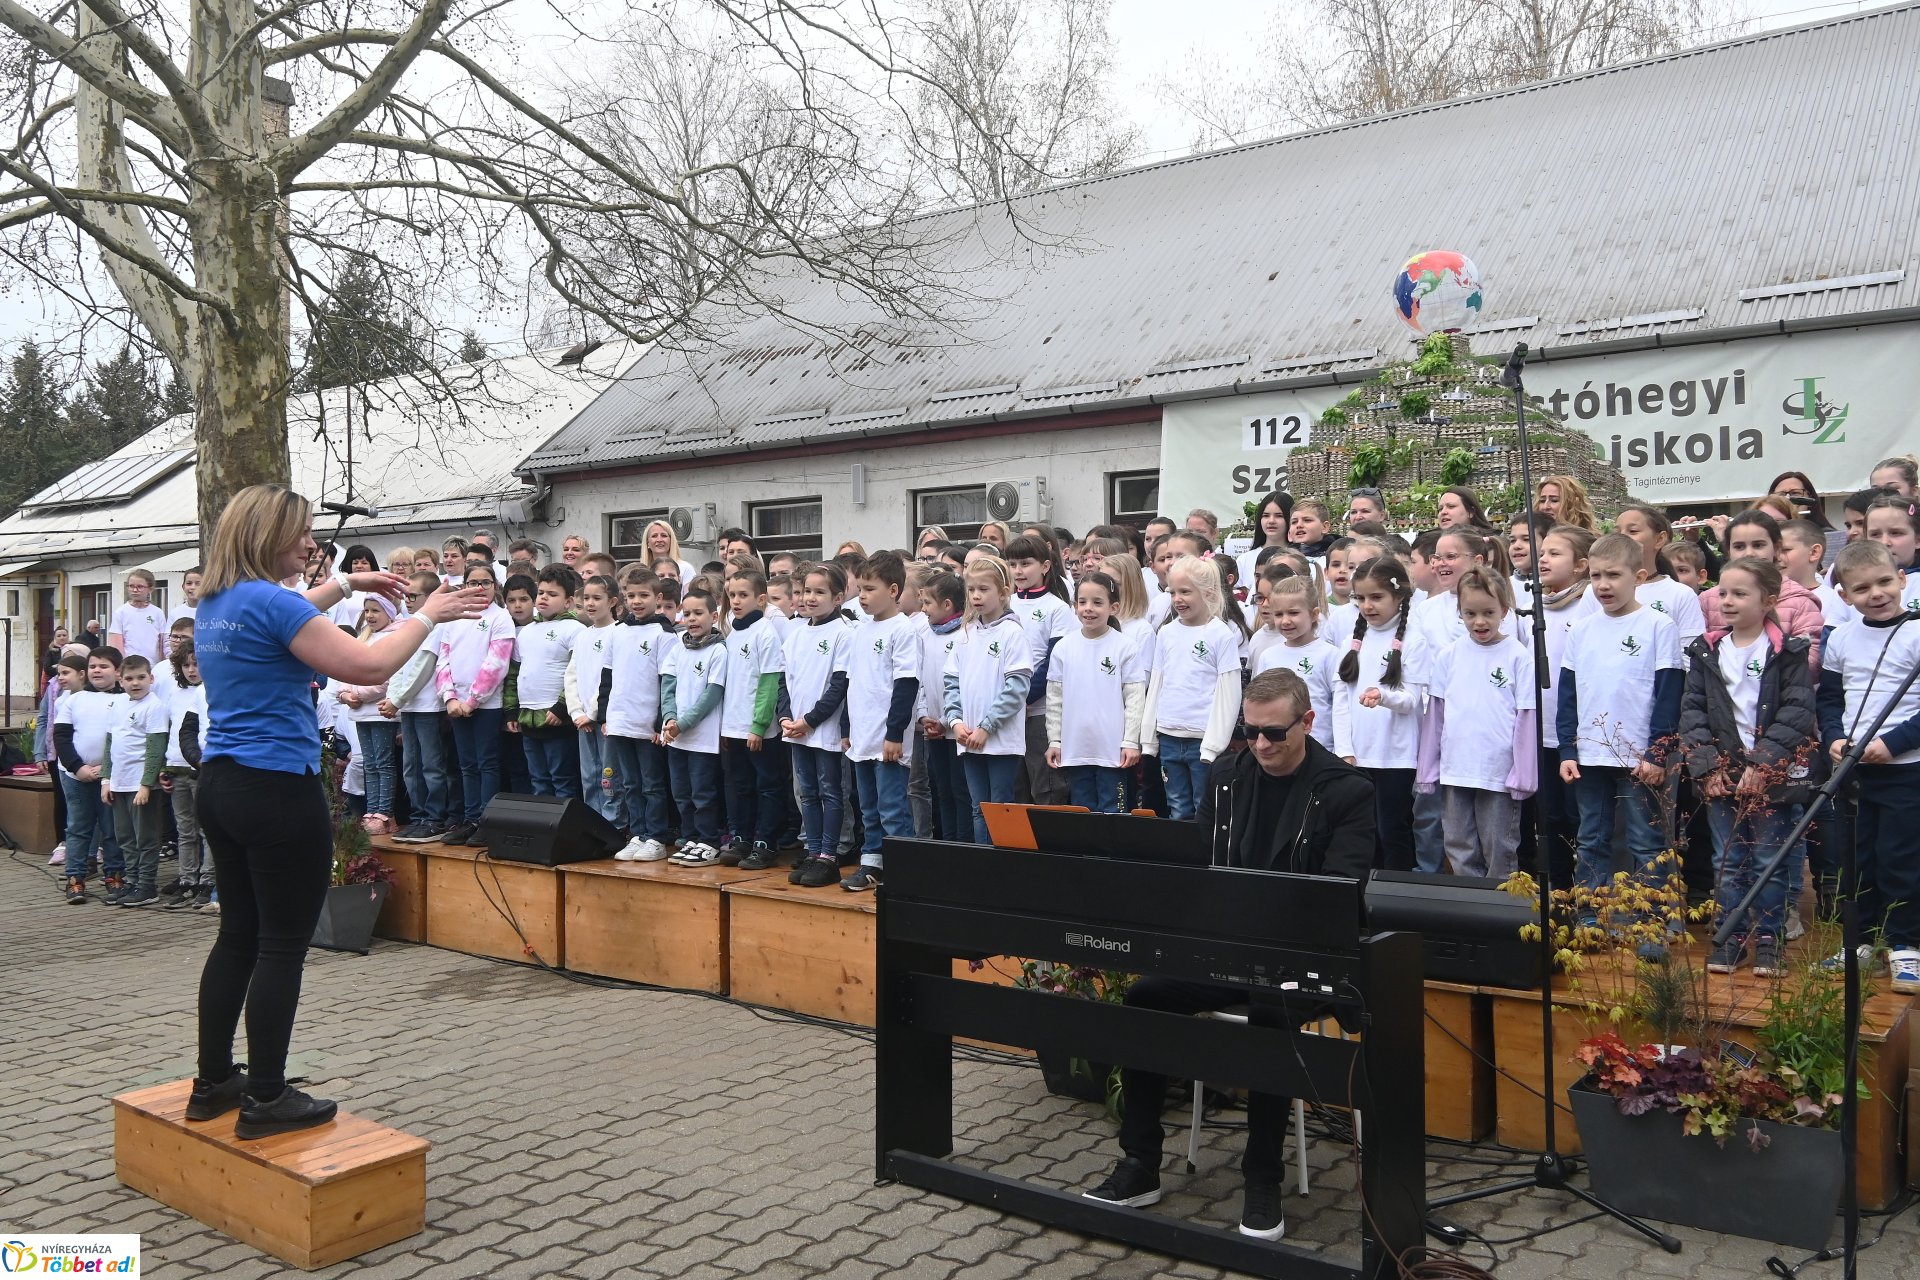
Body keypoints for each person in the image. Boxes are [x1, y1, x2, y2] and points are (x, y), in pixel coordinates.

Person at [188, 484, 488, 1140]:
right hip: (276, 791)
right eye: (300, 532)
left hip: (221, 784)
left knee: (237, 935)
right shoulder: (269, 601)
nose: (311, 543)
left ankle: (213, 1082)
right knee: (281, 946)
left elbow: (290, 613)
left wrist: (352, 588)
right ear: (267, 537)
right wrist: (430, 612)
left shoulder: (218, 600)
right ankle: (266, 1097)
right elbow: (369, 659)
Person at [1083, 668, 1374, 1241]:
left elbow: (1340, 894)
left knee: (1268, 1016)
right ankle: (1140, 1163)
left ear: (1308, 723)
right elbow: (1199, 870)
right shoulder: (1226, 776)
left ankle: (1262, 1177)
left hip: (1301, 963)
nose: (1261, 745)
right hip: (1226, 952)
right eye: (1250, 731)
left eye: (1275, 734)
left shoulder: (1346, 790)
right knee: (1145, 996)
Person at [1681, 557, 1817, 977]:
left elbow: (1796, 710)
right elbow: (1692, 712)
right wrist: (1706, 766)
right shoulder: (1708, 650)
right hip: (1723, 774)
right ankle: (1730, 935)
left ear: (1768, 600)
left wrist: (1764, 763)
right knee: (1728, 859)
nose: (1728, 600)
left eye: (1740, 593)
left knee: (1767, 860)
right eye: (1723, 592)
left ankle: (1769, 939)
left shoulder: (1787, 651)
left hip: (1769, 777)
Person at [1557, 534, 1684, 908]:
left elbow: (1668, 695)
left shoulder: (1659, 625)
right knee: (1591, 839)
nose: (1603, 585)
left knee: (1645, 841)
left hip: (1639, 758)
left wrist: (1658, 753)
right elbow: (1569, 697)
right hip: (1590, 757)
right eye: (1596, 576)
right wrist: (1568, 749)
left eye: (1613, 575)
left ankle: (1652, 925)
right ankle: (1592, 919)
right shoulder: (1581, 630)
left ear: (1639, 576)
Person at [1817, 540, 1920, 991]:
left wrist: (1893, 743)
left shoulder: (1917, 633)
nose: (1876, 593)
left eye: (1884, 582)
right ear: (1844, 596)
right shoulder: (1840, 638)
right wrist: (1834, 738)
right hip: (1854, 771)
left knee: (1901, 858)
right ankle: (1859, 940)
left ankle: (1905, 945)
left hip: (1906, 768)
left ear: (1902, 579)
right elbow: (1829, 698)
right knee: (1853, 857)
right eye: (1862, 588)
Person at [1417, 568, 1536, 878]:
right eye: (1470, 613)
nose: (1479, 621)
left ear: (1504, 611)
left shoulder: (1518, 656)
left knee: (1499, 847)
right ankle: (1473, 916)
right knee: (1459, 845)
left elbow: (1525, 718)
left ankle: (1503, 915)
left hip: (1498, 773)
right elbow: (1436, 716)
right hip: (1456, 769)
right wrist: (1428, 769)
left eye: (1488, 612)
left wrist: (1523, 773)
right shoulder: (1449, 655)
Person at [1140, 555, 1245, 821]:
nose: (1178, 599)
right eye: (1172, 592)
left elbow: (1229, 693)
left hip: (1202, 738)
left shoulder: (1220, 634)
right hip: (1169, 736)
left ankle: (1204, 859)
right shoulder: (1166, 633)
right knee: (1177, 806)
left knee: (1204, 806)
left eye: (1185, 592)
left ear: (1208, 592)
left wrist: (1214, 743)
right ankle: (1182, 857)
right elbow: (1157, 685)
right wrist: (1149, 738)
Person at [1334, 556, 1422, 869]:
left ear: (1399, 596)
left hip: (1396, 756)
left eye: (1377, 597)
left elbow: (1412, 700)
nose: (1368, 606)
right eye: (1361, 598)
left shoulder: (1413, 640)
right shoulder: (1351, 641)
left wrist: (1383, 696)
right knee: (1363, 832)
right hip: (1358, 756)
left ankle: (1397, 900)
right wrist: (1344, 750)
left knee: (1392, 829)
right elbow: (1341, 700)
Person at [841, 551, 920, 890]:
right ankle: (872, 864)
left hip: (888, 738)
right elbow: (852, 682)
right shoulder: (859, 630)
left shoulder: (902, 630)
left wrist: (894, 733)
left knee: (891, 808)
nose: (862, 596)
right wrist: (847, 728)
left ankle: (902, 872)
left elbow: (906, 685)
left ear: (893, 590)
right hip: (862, 735)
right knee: (869, 808)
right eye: (859, 588)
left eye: (870, 589)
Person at [943, 558, 1034, 842]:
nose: (976, 596)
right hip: (968, 739)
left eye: (984, 589)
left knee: (1000, 807)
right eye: (971, 590)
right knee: (978, 809)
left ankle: (1001, 868)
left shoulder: (1012, 633)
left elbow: (1017, 687)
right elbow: (951, 682)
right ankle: (983, 866)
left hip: (1000, 741)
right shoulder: (966, 633)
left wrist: (987, 727)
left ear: (1004, 591)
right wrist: (956, 722)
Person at [1044, 571, 1145, 813]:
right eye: (1082, 602)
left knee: (1115, 810)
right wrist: (1055, 740)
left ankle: (1114, 853)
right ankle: (1089, 853)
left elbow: (1134, 698)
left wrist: (1130, 741)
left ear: (1114, 607)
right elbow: (1054, 699)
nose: (1088, 608)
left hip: (1113, 752)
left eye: (1097, 602)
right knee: (1082, 812)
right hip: (1077, 749)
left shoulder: (1125, 647)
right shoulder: (1063, 647)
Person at [435, 564, 516, 846]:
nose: (479, 587)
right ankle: (470, 820)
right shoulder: (454, 619)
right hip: (457, 705)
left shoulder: (500, 618)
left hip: (485, 705)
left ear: (495, 586)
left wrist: (471, 700)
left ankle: (487, 821)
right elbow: (442, 660)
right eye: (473, 582)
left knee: (487, 763)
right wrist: (450, 697)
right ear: (463, 585)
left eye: (485, 582)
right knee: (466, 764)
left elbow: (496, 664)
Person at [605, 568, 680, 862]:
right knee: (629, 783)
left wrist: (661, 721)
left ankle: (657, 836)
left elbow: (667, 681)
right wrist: (604, 716)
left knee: (652, 784)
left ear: (657, 598)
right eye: (631, 595)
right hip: (620, 720)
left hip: (647, 724)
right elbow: (608, 676)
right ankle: (638, 833)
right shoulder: (618, 631)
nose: (637, 601)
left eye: (643, 595)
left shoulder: (663, 634)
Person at [717, 566, 788, 868]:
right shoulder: (732, 634)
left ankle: (765, 841)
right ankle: (742, 837)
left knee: (767, 786)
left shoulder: (765, 633)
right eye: (732, 594)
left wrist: (758, 726)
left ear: (760, 599)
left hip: (758, 731)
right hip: (732, 727)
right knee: (740, 786)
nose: (735, 600)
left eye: (743, 595)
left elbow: (769, 683)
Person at [385, 573, 456, 844]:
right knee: (410, 765)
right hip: (409, 707)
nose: (408, 600)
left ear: (431, 598)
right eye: (406, 595)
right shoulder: (410, 625)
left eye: (413, 596)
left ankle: (434, 817)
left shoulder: (436, 627)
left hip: (428, 707)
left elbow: (423, 668)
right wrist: (394, 698)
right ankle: (418, 816)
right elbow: (398, 664)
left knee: (432, 765)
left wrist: (397, 700)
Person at [661, 586, 729, 865]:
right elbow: (668, 685)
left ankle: (708, 840)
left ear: (713, 616)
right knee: (682, 792)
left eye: (698, 613)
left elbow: (712, 694)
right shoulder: (678, 647)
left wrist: (684, 723)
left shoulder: (718, 650)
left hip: (701, 737)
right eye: (687, 613)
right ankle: (690, 838)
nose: (691, 618)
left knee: (702, 792)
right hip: (676, 735)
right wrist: (669, 718)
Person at [52, 649, 120, 903]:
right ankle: (75, 878)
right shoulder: (74, 700)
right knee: (79, 828)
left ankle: (114, 875)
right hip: (75, 775)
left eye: (104, 666)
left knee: (112, 829)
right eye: (93, 666)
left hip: (111, 776)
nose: (97, 671)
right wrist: (77, 767)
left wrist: (107, 770)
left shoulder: (125, 700)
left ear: (118, 671)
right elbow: (61, 736)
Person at [512, 566, 585, 798]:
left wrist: (562, 707)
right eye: (541, 592)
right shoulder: (526, 631)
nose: (544, 597)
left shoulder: (575, 629)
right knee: (538, 779)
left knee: (562, 778)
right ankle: (543, 830)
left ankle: (565, 831)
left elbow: (579, 673)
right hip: (528, 716)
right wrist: (511, 710)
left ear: (568, 601)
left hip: (556, 717)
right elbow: (515, 672)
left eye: (552, 594)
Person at [334, 596, 404, 834]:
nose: (370, 615)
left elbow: (385, 677)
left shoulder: (395, 637)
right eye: (367, 610)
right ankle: (372, 809)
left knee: (383, 762)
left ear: (389, 612)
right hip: (360, 712)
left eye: (376, 610)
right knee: (370, 763)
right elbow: (347, 668)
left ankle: (385, 811)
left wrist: (359, 695)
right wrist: (344, 694)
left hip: (380, 712)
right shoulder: (363, 637)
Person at [159, 640, 212, 909]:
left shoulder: (209, 691)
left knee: (206, 830)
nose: (192, 670)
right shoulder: (175, 693)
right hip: (177, 766)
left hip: (202, 769)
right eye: (186, 665)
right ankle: (187, 880)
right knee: (184, 830)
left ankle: (208, 881)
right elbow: (172, 731)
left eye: (197, 664)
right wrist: (163, 767)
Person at [566, 575, 622, 826]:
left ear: (612, 601)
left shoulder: (619, 633)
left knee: (609, 774)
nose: (590, 603)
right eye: (586, 598)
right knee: (589, 775)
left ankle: (613, 823)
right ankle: (592, 823)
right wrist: (577, 712)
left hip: (604, 719)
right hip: (583, 720)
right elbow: (572, 675)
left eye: (597, 598)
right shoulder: (582, 635)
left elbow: (610, 679)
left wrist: (593, 712)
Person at [1613, 505, 1708, 646]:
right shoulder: (1596, 590)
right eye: (1617, 532)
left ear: (1659, 539)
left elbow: (1690, 654)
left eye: (1632, 531)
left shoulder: (1681, 594)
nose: (1622, 537)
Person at [109, 568, 168, 664]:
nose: (135, 590)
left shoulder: (157, 613)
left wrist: (163, 663)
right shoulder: (121, 612)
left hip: (153, 665)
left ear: (150, 589)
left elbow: (163, 642)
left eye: (140, 586)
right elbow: (116, 644)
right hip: (129, 666)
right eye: (131, 586)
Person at [1235, 492, 1292, 587]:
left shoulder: (1300, 558)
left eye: (1279, 516)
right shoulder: (1244, 560)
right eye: (1266, 515)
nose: (1271, 521)